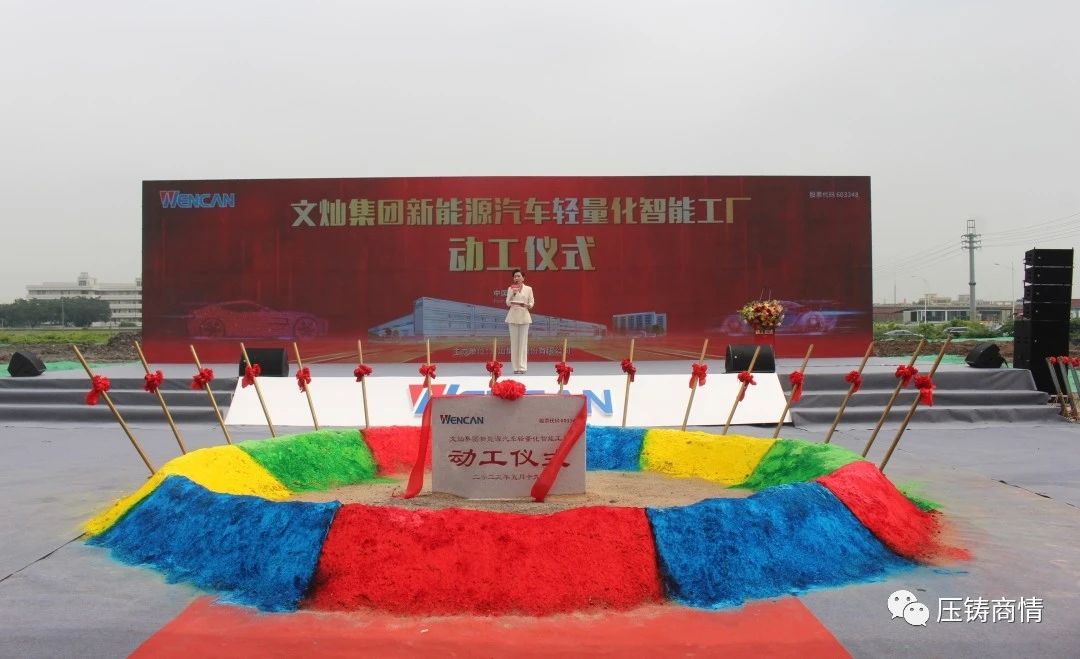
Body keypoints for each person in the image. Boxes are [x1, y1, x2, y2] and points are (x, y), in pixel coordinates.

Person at [504, 269, 534, 374]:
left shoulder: (529, 289)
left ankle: (522, 367)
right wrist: (513, 293)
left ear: (523, 278)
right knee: (514, 343)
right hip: (513, 317)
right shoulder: (510, 288)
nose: (516, 278)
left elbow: (531, 302)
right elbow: (508, 303)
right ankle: (515, 368)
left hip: (524, 316)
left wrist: (528, 305)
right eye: (515, 276)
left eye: (518, 276)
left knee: (523, 343)